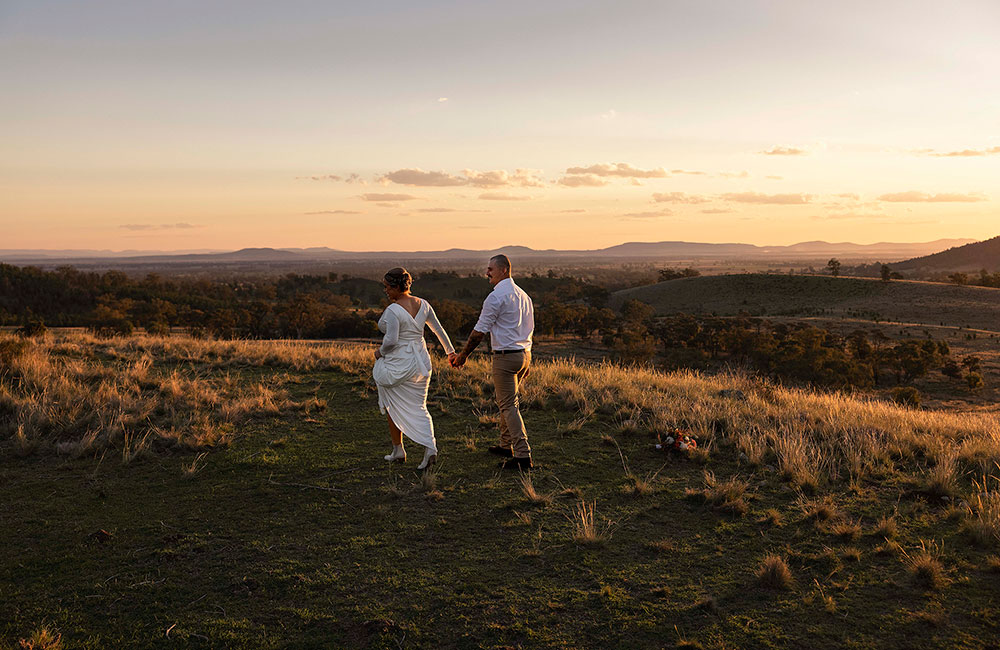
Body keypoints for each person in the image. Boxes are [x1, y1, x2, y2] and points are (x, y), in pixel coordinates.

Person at [451, 254, 535, 470]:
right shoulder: (523, 295)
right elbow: (529, 330)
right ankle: (505, 445)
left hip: (506, 357)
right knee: (507, 402)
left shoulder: (496, 297)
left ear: (504, 270)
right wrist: (529, 358)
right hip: (523, 354)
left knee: (508, 406)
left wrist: (463, 356)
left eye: (490, 269)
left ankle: (523, 456)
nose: (486, 273)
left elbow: (479, 332)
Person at [373, 267, 457, 469]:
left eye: (387, 287)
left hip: (398, 363)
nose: (385, 291)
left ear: (395, 287)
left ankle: (399, 448)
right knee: (419, 406)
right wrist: (450, 352)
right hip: (421, 362)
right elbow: (438, 329)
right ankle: (427, 448)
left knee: (392, 402)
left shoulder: (393, 310)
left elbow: (391, 341)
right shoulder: (424, 304)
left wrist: (379, 353)